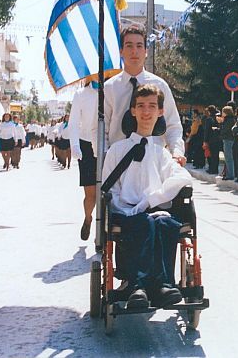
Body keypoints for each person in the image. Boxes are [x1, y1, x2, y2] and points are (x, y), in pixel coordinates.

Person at [103, 84, 192, 309]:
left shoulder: (161, 153)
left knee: (164, 222)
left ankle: (163, 285)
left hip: (155, 210)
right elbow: (110, 191)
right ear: (132, 110)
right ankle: (137, 286)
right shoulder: (117, 150)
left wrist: (152, 200)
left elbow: (182, 178)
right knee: (143, 223)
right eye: (141, 106)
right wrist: (132, 209)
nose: (146, 111)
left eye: (152, 106)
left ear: (160, 112)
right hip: (126, 212)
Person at [104, 25, 186, 165]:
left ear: (146, 51)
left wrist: (176, 152)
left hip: (154, 162)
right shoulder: (109, 88)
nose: (134, 51)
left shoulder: (160, 85)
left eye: (139, 46)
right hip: (118, 163)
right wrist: (107, 158)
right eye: (129, 46)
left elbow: (173, 125)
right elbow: (100, 129)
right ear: (121, 51)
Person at [69, 82, 98, 240]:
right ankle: (88, 218)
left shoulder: (114, 88)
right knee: (91, 193)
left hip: (108, 143)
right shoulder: (81, 94)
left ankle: (104, 231)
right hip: (87, 145)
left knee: (109, 192)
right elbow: (73, 122)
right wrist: (75, 145)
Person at [219, 106, 236, 180]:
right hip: (227, 139)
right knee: (227, 157)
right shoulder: (229, 119)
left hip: (228, 139)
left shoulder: (229, 120)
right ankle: (228, 173)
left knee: (229, 157)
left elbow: (224, 130)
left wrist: (220, 123)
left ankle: (230, 175)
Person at [202, 105, 221, 175]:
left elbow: (206, 131)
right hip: (218, 139)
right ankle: (215, 169)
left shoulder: (209, 119)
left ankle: (212, 169)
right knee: (216, 155)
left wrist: (205, 141)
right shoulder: (218, 118)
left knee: (211, 155)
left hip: (211, 140)